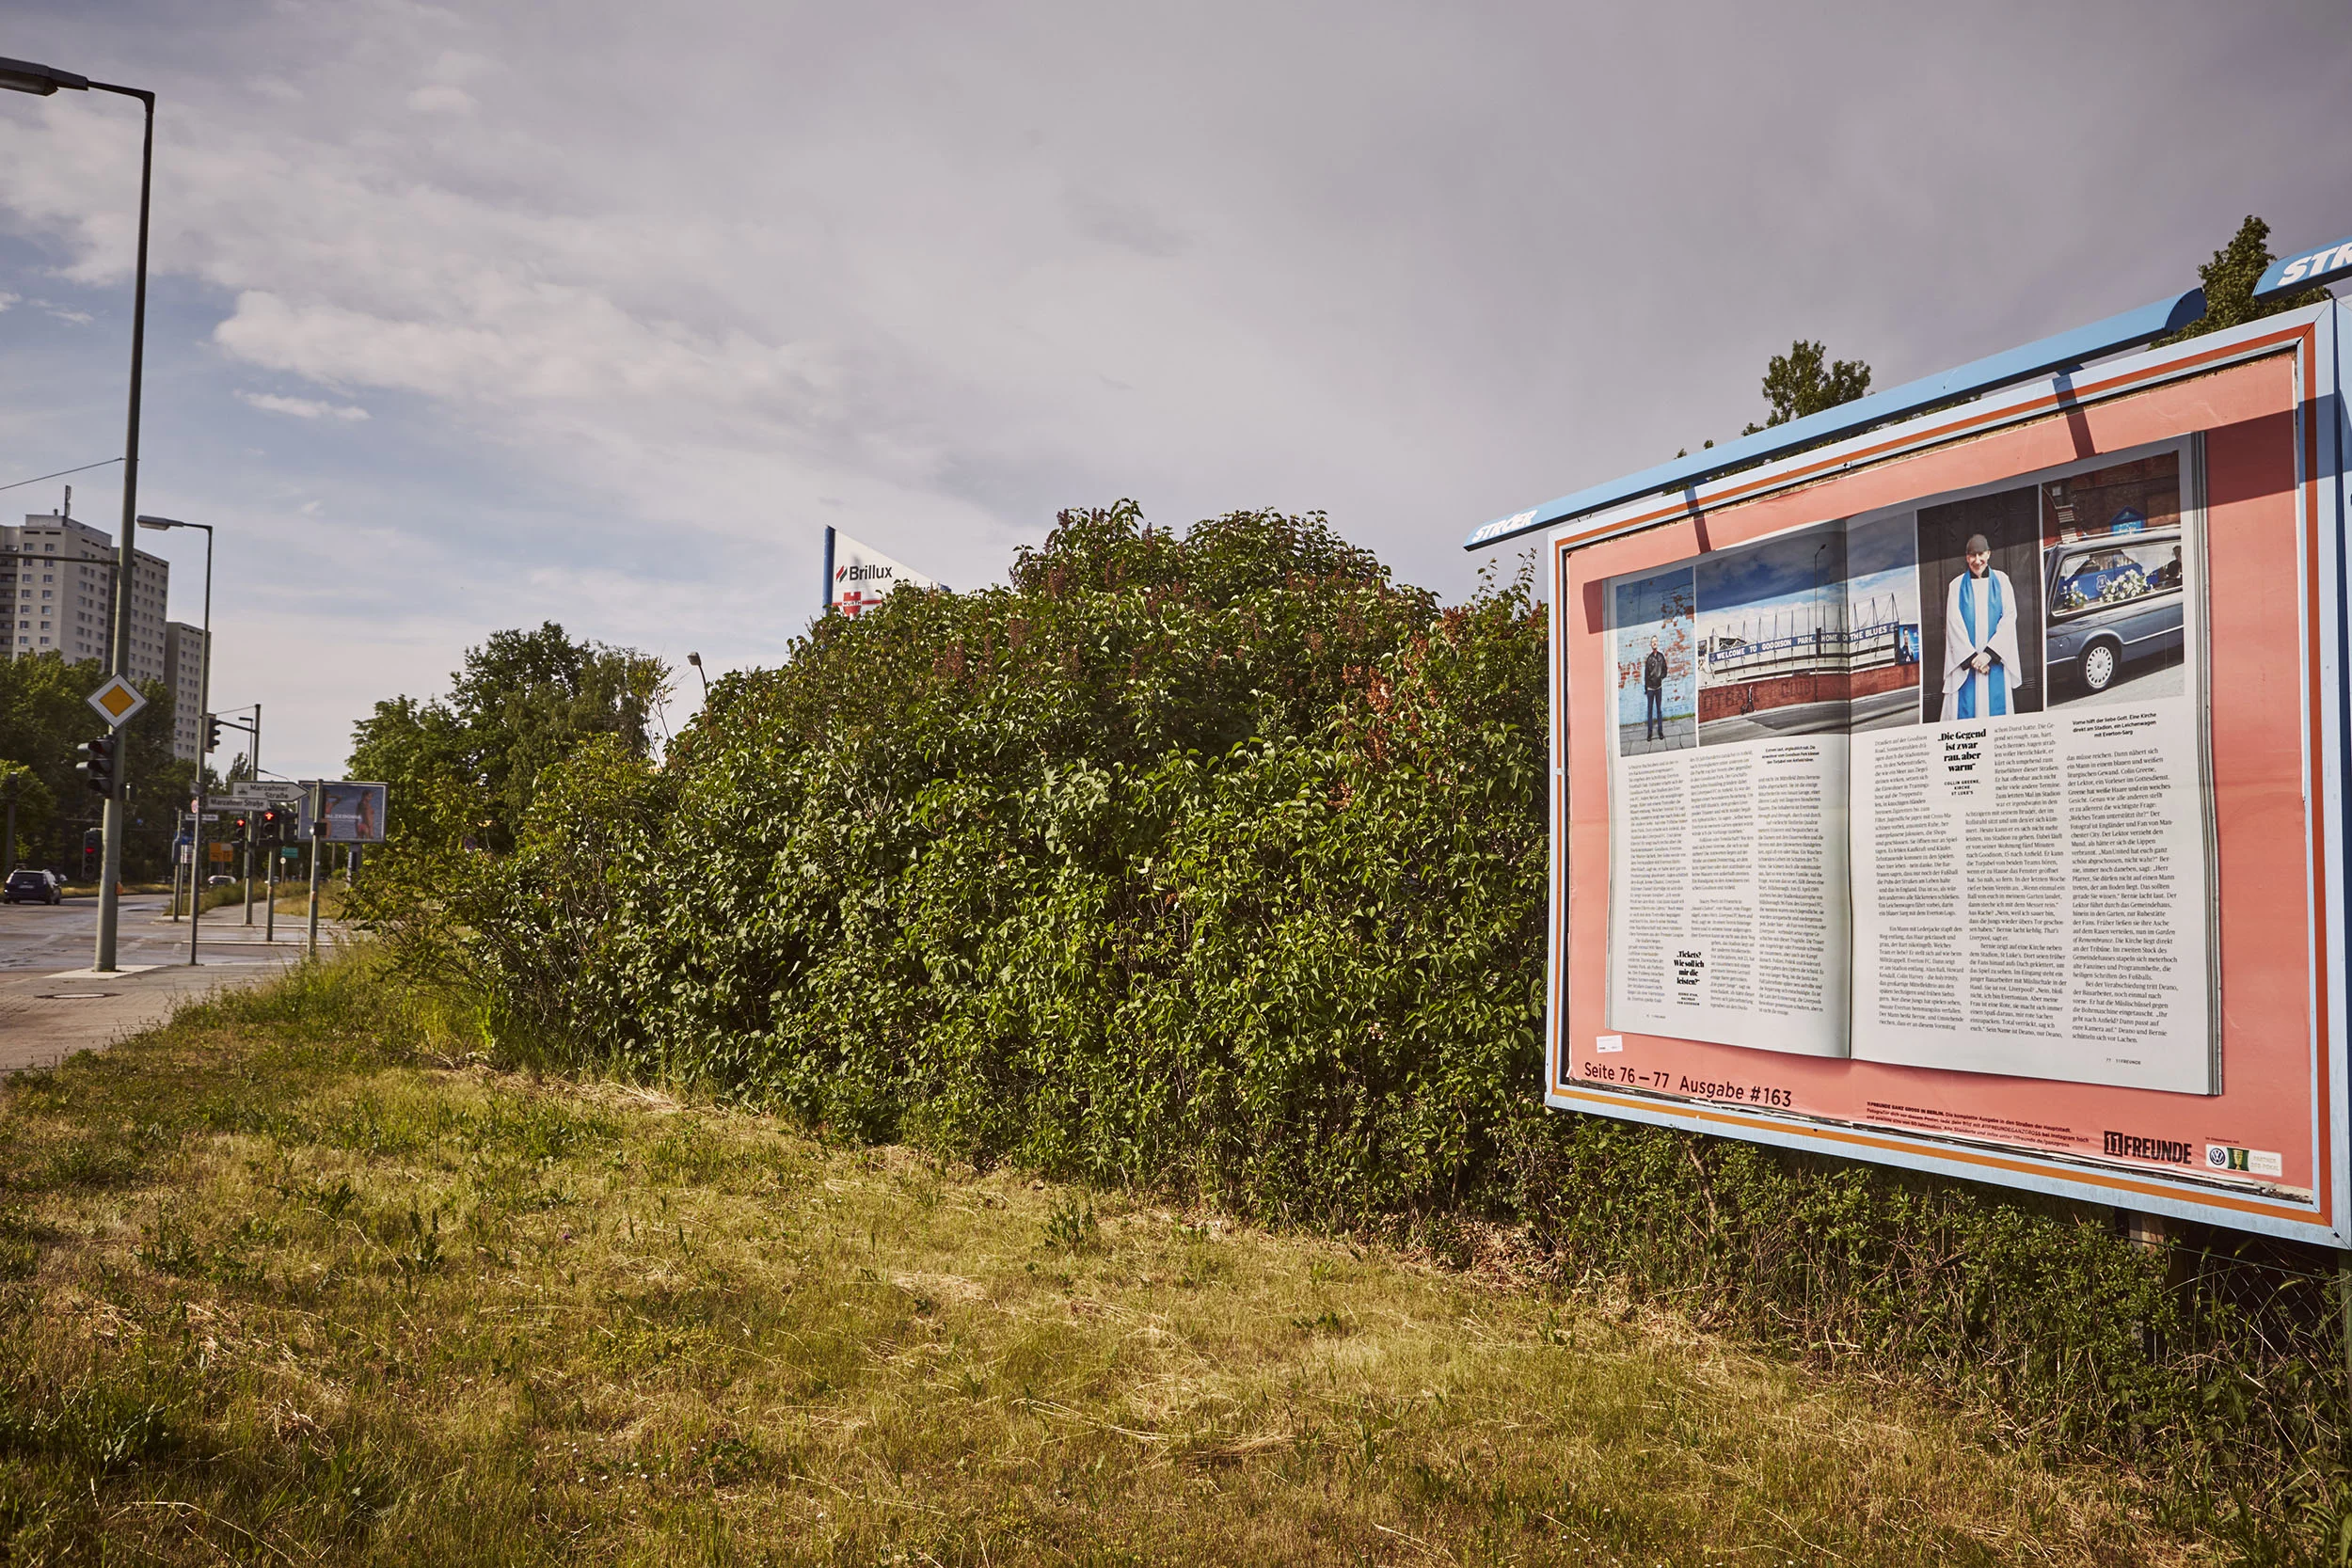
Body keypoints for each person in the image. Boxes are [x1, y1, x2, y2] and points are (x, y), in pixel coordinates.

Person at [1942, 532, 2022, 720]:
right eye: (1972, 555)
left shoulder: (2002, 581)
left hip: (1993, 663)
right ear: (1966, 557)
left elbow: (2009, 619)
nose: (1977, 561)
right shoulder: (1956, 586)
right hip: (1968, 665)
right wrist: (1973, 659)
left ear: (1988, 554)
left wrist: (1988, 655)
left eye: (1981, 554)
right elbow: (1953, 624)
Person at [1643, 637, 1668, 740]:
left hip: (1659, 688)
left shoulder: (1661, 657)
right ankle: (1649, 733)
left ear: (1657, 643)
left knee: (1658, 710)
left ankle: (1660, 731)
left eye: (1655, 641)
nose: (1654, 643)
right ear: (1651, 644)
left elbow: (1665, 670)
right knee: (1649, 711)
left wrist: (1661, 677)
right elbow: (1646, 674)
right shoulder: (1649, 659)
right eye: (1652, 642)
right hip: (1650, 689)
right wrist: (1647, 688)